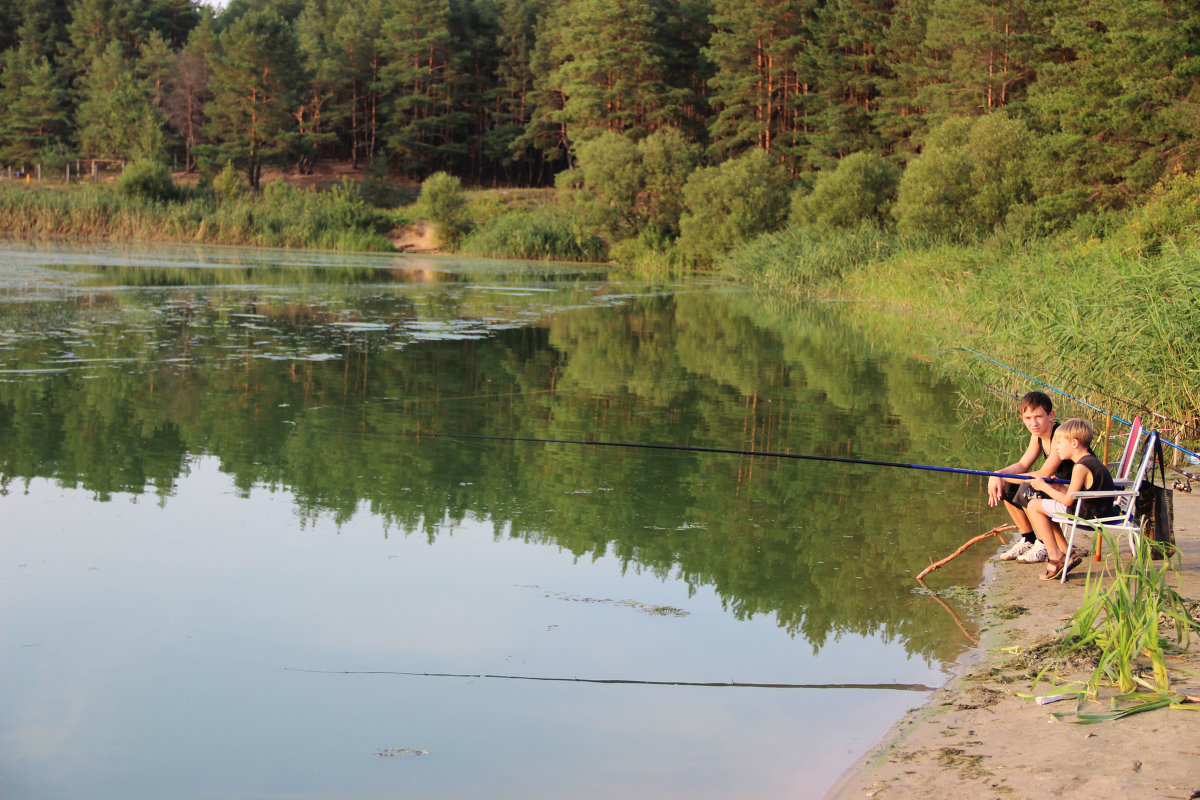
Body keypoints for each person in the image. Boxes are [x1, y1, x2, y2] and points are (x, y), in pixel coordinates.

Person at [1026, 418, 1119, 580]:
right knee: (1046, 506)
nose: (1056, 448)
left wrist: (1043, 486)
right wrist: (1059, 488)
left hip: (1088, 516)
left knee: (1034, 505)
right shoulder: (1090, 461)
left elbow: (1069, 501)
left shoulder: (1080, 467)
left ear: (1074, 443)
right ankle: (1062, 553)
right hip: (1099, 511)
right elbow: (1080, 492)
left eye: (1060, 443)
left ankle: (1056, 555)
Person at [988, 391, 1074, 563]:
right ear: (1022, 418)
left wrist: (1003, 476)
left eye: (1038, 417)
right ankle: (1028, 539)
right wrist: (996, 474)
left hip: (1070, 492)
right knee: (1007, 487)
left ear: (1051, 416)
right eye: (1028, 418)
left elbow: (1043, 475)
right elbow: (1022, 465)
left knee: (1028, 489)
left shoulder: (1059, 436)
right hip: (1055, 487)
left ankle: (1043, 543)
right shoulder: (1038, 436)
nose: (1033, 423)